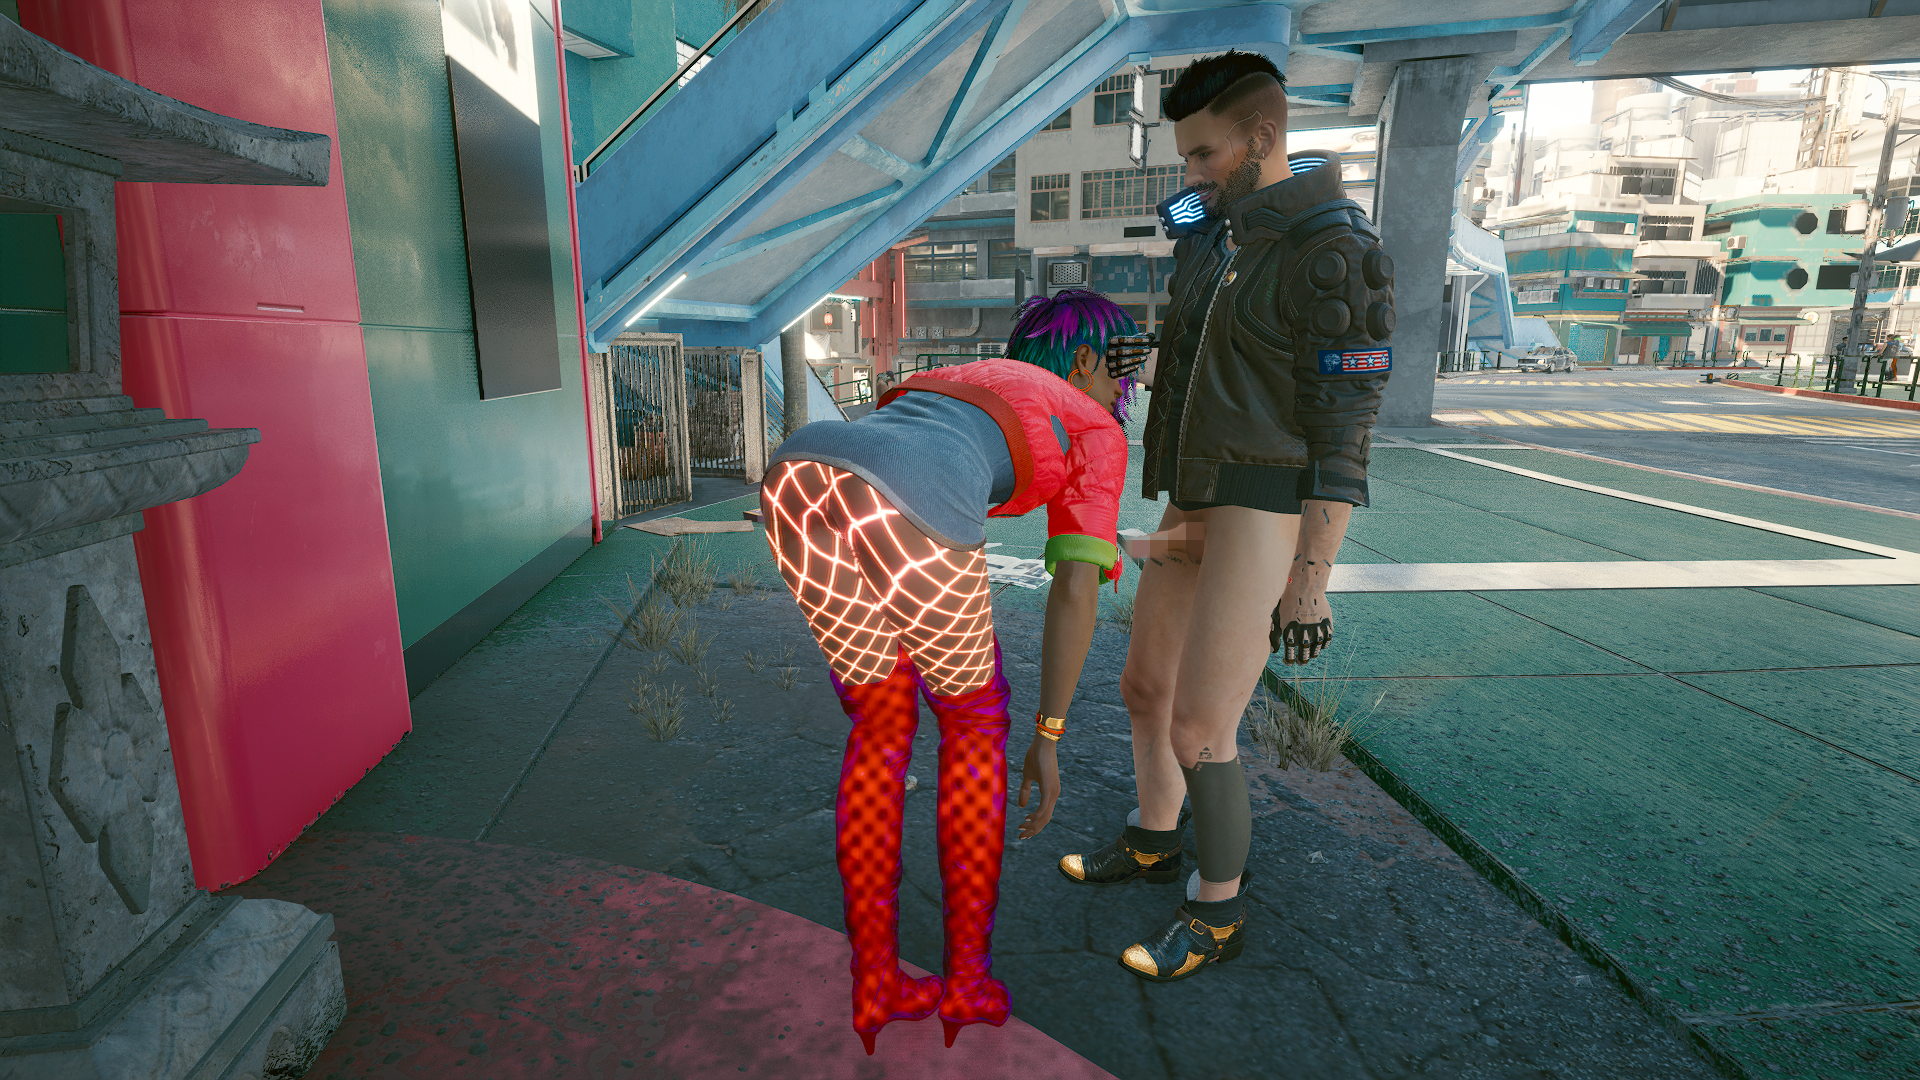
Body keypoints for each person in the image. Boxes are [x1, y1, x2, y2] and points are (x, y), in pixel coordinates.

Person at [1055, 50, 1394, 982]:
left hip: (1263, 502)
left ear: (1264, 135)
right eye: (1186, 157)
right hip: (1192, 488)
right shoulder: (1213, 229)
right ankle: (1155, 837)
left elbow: (1344, 433)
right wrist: (1148, 355)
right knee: (1144, 690)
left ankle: (1218, 910)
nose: (1192, 175)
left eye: (1205, 154)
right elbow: (1207, 340)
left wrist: (1310, 584)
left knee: (1202, 728)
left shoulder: (1337, 249)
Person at [760, 290, 1151, 1053]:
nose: (1119, 394)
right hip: (912, 496)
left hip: (800, 478)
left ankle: (876, 981)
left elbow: (895, 450)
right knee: (973, 721)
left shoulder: (962, 374)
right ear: (1084, 361)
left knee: (881, 725)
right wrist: (1049, 735)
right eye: (1119, 374)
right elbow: (1076, 587)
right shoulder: (1095, 426)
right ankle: (966, 981)